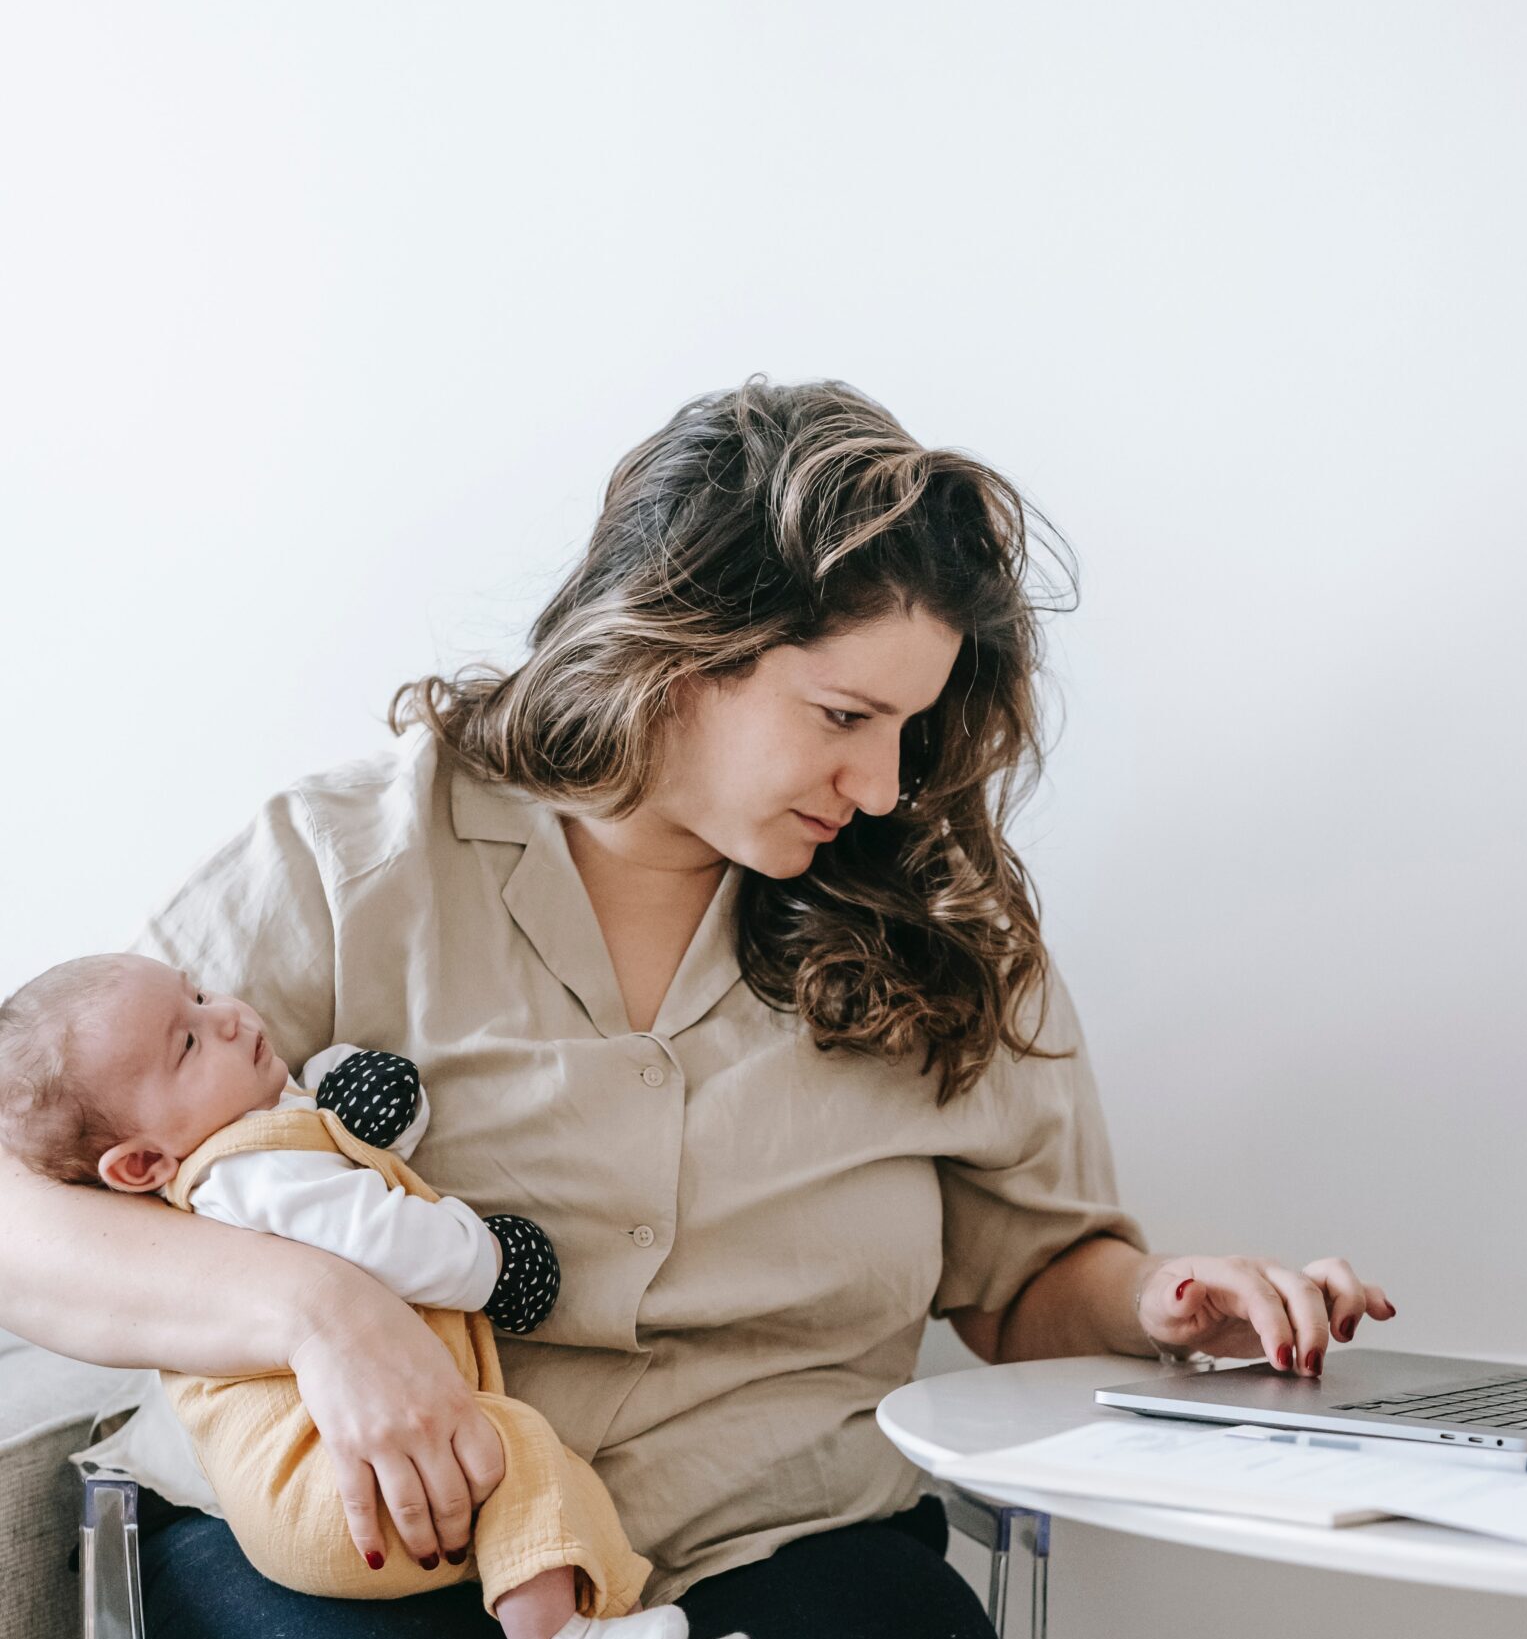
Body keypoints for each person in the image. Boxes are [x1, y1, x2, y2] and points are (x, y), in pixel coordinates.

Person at [0, 376, 1394, 1639]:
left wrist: (1161, 1302)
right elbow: (25, 1201)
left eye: (911, 728)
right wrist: (314, 1306)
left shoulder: (945, 928)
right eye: (844, 717)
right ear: (679, 645)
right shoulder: (346, 861)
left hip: (777, 1539)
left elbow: (1025, 1278)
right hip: (372, 1535)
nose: (886, 786)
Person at [0, 952, 679, 1639]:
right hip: (327, 1487)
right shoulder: (249, 1173)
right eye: (188, 1041)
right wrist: (487, 1261)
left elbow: (346, 1148)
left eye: (200, 992)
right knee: (520, 1447)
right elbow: (385, 1237)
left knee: (514, 1467)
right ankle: (559, 1630)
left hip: (313, 1503)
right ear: (142, 1163)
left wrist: (350, 1091)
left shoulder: (258, 1136)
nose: (227, 1018)